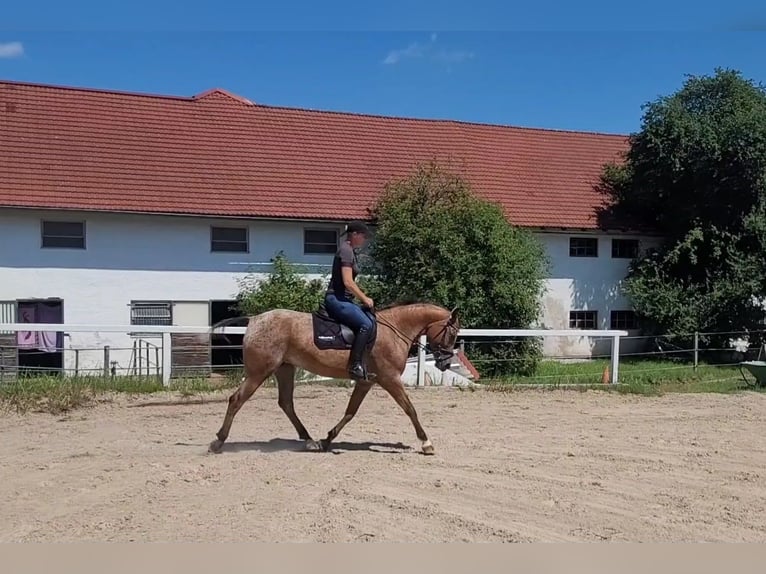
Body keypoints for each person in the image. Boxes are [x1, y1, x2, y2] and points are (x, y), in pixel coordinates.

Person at [324, 220, 375, 380]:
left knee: (370, 320)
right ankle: (354, 365)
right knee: (366, 325)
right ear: (354, 235)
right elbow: (348, 281)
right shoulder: (346, 251)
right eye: (363, 236)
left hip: (344, 299)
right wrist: (364, 298)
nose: (364, 239)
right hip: (337, 299)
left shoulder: (350, 251)